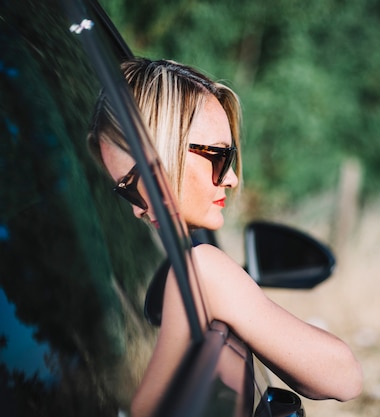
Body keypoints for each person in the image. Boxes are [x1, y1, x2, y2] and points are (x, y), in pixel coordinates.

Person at [88, 58, 362, 417]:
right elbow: (345, 378)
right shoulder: (200, 269)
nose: (231, 178)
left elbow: (343, 377)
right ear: (161, 159)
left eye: (227, 156)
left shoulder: (199, 271)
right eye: (219, 156)